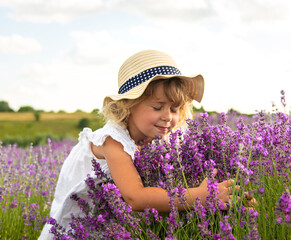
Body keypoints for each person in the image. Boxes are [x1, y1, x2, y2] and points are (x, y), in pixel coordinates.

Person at [39, 49, 249, 239]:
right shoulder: (113, 141)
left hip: (113, 223)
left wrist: (233, 195)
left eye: (175, 109)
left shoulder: (165, 136)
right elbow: (136, 197)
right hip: (78, 225)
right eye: (158, 107)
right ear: (128, 106)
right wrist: (198, 196)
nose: (168, 116)